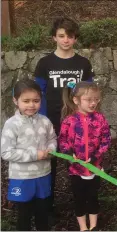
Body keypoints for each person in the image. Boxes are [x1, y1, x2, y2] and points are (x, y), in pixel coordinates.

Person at [34, 17, 95, 215]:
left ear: (75, 39)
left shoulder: (83, 63)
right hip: (51, 122)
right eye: (61, 36)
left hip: (77, 124)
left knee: (78, 163)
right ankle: (47, 206)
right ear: (54, 37)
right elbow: (38, 94)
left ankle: (82, 206)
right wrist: (42, 122)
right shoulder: (45, 63)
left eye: (70, 36)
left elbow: (89, 93)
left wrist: (87, 119)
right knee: (48, 165)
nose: (66, 40)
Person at [1, 79, 57, 231]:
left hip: (43, 175)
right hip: (22, 178)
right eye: (26, 101)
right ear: (15, 100)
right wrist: (35, 155)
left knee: (42, 214)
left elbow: (52, 139)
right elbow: (6, 152)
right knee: (24, 216)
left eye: (36, 101)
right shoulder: (12, 124)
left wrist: (51, 149)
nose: (31, 105)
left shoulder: (45, 121)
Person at [58, 81, 110, 231]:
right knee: (79, 198)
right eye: (88, 100)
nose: (93, 103)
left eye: (96, 99)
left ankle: (93, 226)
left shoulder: (100, 119)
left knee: (93, 197)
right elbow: (62, 140)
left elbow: (106, 140)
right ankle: (83, 227)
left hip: (95, 168)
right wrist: (68, 153)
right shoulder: (69, 121)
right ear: (76, 100)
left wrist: (96, 156)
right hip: (76, 170)